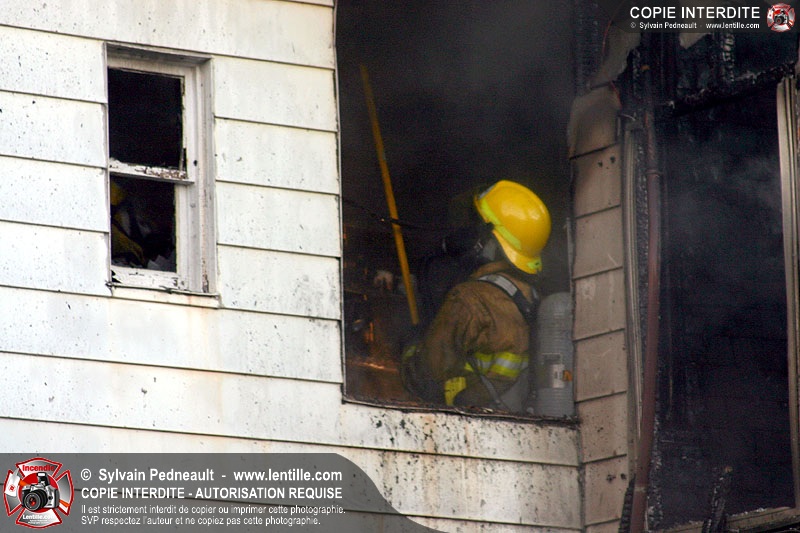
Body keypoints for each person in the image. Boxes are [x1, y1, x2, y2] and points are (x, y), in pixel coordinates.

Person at [401, 180, 551, 411]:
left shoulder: (470, 299)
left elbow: (426, 376)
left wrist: (409, 346)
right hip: (518, 419)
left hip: (470, 422)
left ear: (490, 240)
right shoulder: (535, 298)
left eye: (477, 226)